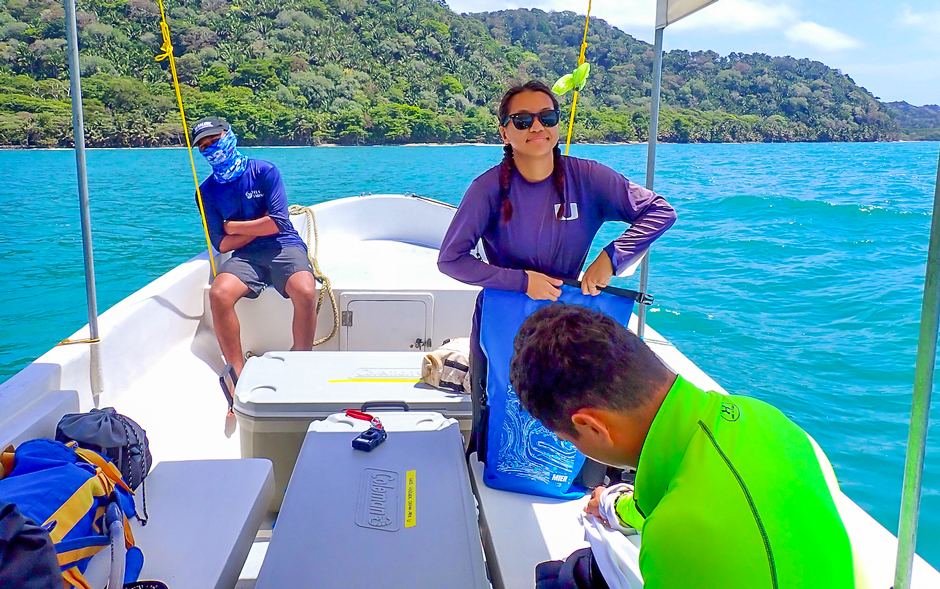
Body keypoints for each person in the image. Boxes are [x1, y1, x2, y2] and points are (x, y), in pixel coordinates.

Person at [509, 303, 856, 589]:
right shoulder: (763, 416)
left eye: (567, 438)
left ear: (591, 426)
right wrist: (615, 505)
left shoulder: (674, 538)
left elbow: (686, 527)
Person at [437, 80, 677, 448]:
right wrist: (521, 281)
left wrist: (612, 258)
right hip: (505, 312)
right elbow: (451, 260)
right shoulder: (487, 189)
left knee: (574, 408)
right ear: (504, 131)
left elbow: (658, 211)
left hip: (569, 317)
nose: (536, 127)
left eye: (547, 117)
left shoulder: (590, 177)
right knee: (504, 411)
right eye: (522, 120)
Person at [192, 117, 318, 377]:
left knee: (305, 290)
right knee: (219, 294)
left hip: (284, 245)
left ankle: (302, 362)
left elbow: (278, 225)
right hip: (246, 256)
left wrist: (235, 227)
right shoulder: (205, 192)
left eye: (215, 141)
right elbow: (222, 243)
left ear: (229, 135)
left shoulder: (264, 171)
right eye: (204, 147)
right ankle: (237, 374)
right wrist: (257, 226)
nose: (211, 149)